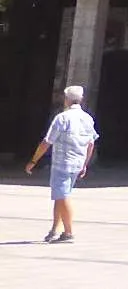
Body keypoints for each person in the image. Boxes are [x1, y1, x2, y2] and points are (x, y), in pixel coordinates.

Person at [24, 85, 98, 243]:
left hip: (62, 163)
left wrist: (33, 160)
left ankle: (68, 231)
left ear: (67, 99)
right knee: (60, 195)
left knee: (63, 196)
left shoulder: (63, 118)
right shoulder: (88, 118)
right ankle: (54, 230)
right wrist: (85, 163)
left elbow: (47, 142)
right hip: (77, 163)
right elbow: (90, 144)